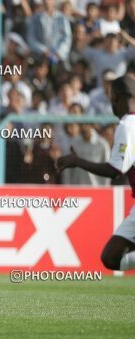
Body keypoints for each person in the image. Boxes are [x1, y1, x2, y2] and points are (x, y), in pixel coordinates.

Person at [56, 75, 135, 271]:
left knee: (112, 258)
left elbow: (115, 171)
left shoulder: (127, 125)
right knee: (111, 258)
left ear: (116, 97)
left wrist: (77, 161)